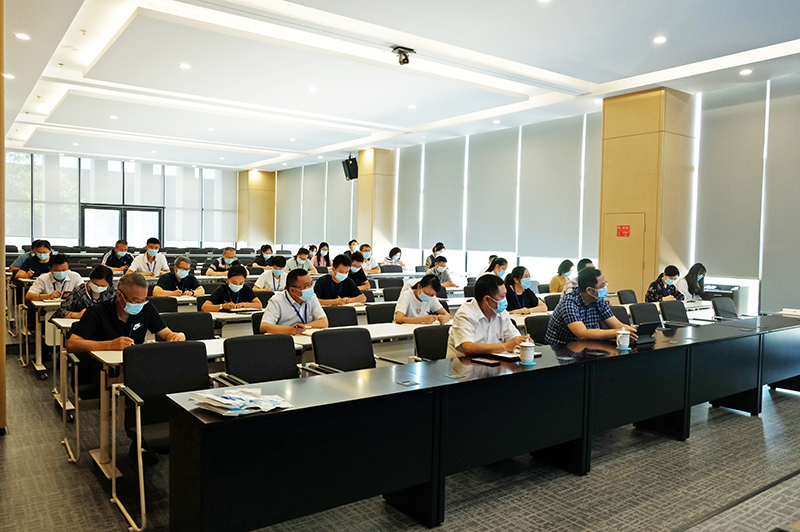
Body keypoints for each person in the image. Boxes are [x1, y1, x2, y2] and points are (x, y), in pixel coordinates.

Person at [67, 273, 185, 354]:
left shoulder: (146, 307)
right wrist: (109, 345)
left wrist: (175, 336)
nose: (139, 304)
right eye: (135, 301)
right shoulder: (97, 312)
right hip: (101, 368)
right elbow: (72, 344)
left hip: (136, 363)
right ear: (119, 295)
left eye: (143, 300)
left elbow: (165, 333)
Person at [545, 267, 637, 345]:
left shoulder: (598, 300)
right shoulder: (569, 303)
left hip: (585, 346)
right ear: (590, 290)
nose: (605, 288)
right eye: (602, 285)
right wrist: (617, 332)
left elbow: (617, 325)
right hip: (560, 349)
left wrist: (633, 331)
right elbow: (583, 334)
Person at [446, 275, 530, 359]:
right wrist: (505, 346)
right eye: (502, 296)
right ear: (487, 299)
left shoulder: (502, 314)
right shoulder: (465, 314)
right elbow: (467, 348)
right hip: (464, 365)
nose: (505, 299)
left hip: (495, 364)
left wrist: (523, 341)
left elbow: (514, 339)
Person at [260, 269, 329, 335]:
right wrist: (290, 330)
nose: (310, 288)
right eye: (307, 285)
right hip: (285, 339)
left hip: (306, 338)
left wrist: (302, 327)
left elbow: (324, 322)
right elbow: (264, 326)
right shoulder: (276, 300)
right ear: (293, 290)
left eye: (311, 284)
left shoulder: (312, 297)